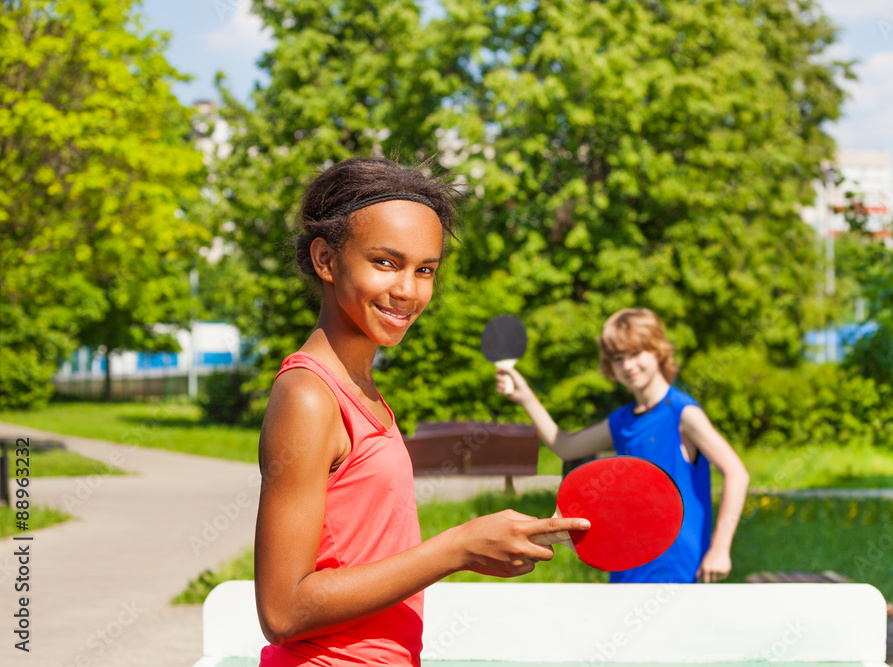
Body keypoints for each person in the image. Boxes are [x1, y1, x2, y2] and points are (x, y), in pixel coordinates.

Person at [253, 157, 589, 666]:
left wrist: (499, 539)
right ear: (325, 259)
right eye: (385, 262)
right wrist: (457, 549)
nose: (408, 290)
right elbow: (283, 611)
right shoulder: (308, 394)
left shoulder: (360, 389)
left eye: (424, 269)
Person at [497, 307, 749, 584]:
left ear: (658, 352)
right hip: (626, 565)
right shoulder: (621, 421)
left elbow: (736, 472)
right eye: (618, 358)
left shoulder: (682, 413)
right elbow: (566, 447)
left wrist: (720, 548)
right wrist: (525, 398)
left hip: (679, 570)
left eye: (635, 353)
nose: (627, 365)